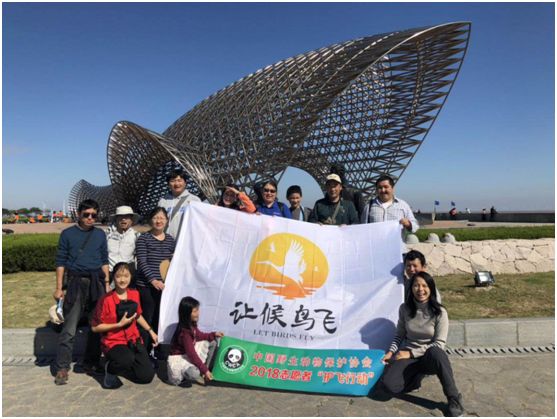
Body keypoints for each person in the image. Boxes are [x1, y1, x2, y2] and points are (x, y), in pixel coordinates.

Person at [381, 272, 464, 417]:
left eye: (424, 286)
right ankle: (415, 379)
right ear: (411, 288)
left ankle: (454, 399)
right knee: (390, 386)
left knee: (438, 353)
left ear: (430, 288)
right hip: (408, 357)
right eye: (416, 285)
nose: (420, 289)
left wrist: (411, 353)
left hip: (429, 357)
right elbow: (399, 335)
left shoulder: (440, 312)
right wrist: (391, 352)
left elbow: (439, 343)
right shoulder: (404, 309)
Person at [53, 199, 110, 385]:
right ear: (79, 214)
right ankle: (63, 367)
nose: (90, 218)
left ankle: (91, 362)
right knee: (69, 327)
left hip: (96, 283)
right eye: (86, 214)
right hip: (76, 283)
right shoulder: (68, 234)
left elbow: (104, 260)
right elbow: (61, 262)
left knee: (96, 325)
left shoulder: (100, 234)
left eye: (94, 215)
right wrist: (59, 288)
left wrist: (107, 285)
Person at [91, 262, 157, 389]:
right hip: (114, 341)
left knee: (146, 376)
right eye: (118, 276)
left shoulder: (134, 294)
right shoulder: (106, 300)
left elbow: (138, 315)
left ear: (131, 277)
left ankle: (125, 364)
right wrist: (118, 324)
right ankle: (110, 369)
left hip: (133, 339)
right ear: (113, 278)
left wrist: (151, 331)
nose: (122, 280)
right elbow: (95, 327)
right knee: (126, 359)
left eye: (126, 276)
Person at [135, 207, 176, 356]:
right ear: (150, 220)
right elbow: (142, 262)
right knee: (147, 318)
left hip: (164, 287)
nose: (159, 221)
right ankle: (144, 353)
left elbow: (174, 261)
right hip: (146, 286)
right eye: (156, 218)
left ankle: (159, 351)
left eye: (162, 218)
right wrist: (153, 280)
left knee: (161, 318)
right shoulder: (143, 238)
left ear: (167, 220)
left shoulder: (170, 240)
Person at [167, 296, 224, 386]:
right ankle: (184, 375)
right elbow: (192, 355)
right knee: (194, 373)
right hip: (180, 358)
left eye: (198, 310)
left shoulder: (191, 324)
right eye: (195, 311)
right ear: (187, 313)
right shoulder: (184, 333)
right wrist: (204, 370)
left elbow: (199, 335)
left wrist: (213, 334)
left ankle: (205, 371)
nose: (198, 313)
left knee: (212, 342)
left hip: (188, 353)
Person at [157, 169, 201, 242]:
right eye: (173, 181)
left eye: (179, 180)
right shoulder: (163, 201)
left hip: (185, 242)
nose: (176, 184)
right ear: (168, 184)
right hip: (165, 243)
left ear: (185, 183)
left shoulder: (195, 200)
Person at [105, 206, 141, 275]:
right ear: (116, 219)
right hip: (109, 272)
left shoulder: (136, 235)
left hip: (127, 274)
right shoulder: (107, 234)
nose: (123, 219)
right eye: (120, 217)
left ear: (131, 220)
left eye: (126, 217)